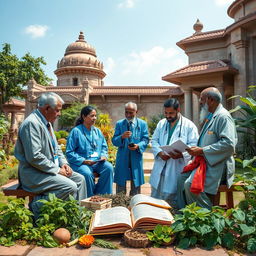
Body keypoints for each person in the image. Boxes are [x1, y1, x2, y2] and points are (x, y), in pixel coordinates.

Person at [14, 92, 87, 219]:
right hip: (33, 174)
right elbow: (34, 157)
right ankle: (36, 206)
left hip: (47, 171)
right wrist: (57, 170)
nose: (59, 114)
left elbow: (57, 148)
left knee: (80, 179)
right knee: (69, 186)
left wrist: (64, 164)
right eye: (57, 111)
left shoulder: (46, 123)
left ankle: (77, 217)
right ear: (47, 108)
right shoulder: (32, 123)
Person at [177, 87, 238, 210]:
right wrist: (197, 151)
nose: (199, 102)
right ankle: (185, 215)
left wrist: (202, 150)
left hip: (219, 165)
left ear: (210, 100)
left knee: (190, 185)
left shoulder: (223, 117)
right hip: (207, 162)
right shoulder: (212, 116)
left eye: (201, 99)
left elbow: (229, 144)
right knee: (181, 179)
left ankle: (207, 219)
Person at [150, 98, 198, 208]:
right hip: (161, 164)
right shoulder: (161, 124)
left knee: (172, 199)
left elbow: (194, 145)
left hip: (177, 166)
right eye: (166, 113)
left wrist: (182, 154)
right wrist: (160, 153)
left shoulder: (189, 126)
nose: (168, 116)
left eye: (171, 113)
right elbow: (154, 140)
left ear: (178, 110)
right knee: (155, 199)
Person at [66, 106, 113, 197]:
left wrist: (103, 156)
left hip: (97, 162)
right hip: (82, 163)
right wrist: (83, 160)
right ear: (84, 117)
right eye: (92, 116)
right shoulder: (76, 131)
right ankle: (89, 198)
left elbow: (104, 147)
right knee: (87, 173)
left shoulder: (97, 131)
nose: (94, 118)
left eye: (95, 116)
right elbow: (69, 152)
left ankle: (102, 195)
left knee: (109, 168)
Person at [112, 102, 149, 196]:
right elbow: (114, 141)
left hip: (136, 156)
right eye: (126, 112)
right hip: (123, 157)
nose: (128, 115)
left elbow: (145, 139)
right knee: (120, 182)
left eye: (131, 112)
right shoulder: (119, 124)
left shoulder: (142, 124)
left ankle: (135, 204)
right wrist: (122, 137)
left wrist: (138, 146)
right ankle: (120, 205)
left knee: (136, 182)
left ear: (136, 111)